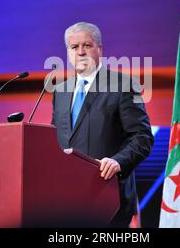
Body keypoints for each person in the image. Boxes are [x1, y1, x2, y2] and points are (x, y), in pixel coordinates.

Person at [51, 21, 154, 227]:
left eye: (87, 45)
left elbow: (142, 137)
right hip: (66, 203)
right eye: (74, 47)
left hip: (108, 199)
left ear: (100, 49)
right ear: (68, 53)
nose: (80, 52)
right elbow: (56, 140)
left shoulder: (123, 85)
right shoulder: (60, 91)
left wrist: (118, 162)